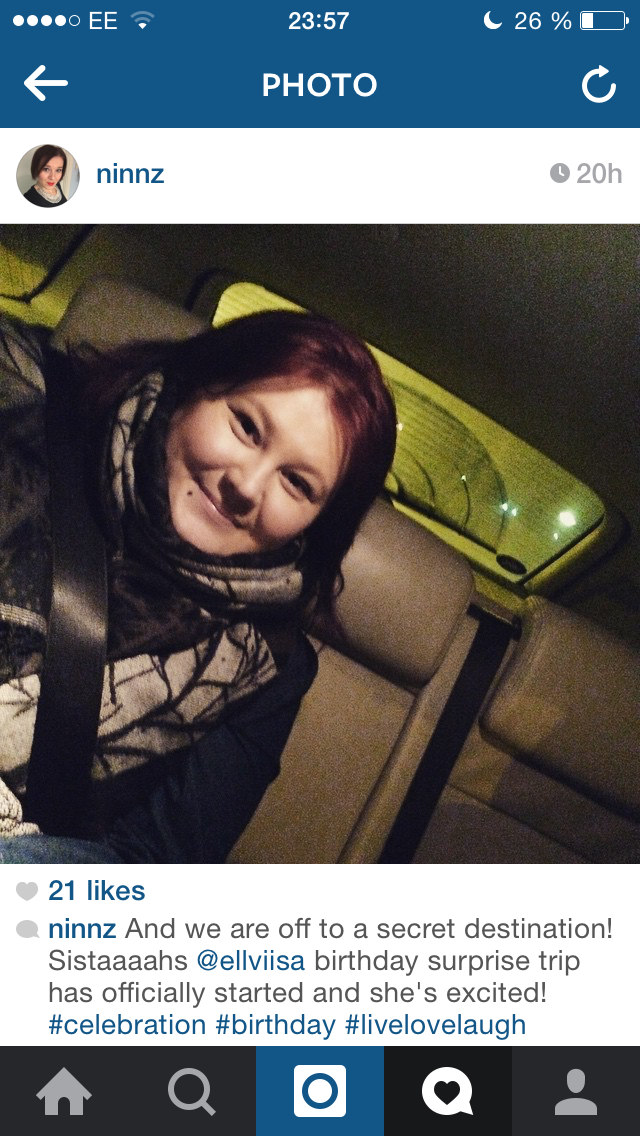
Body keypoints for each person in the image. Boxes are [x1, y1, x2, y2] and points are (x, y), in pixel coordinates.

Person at [0, 307, 397, 861]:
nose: (246, 486)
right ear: (193, 384)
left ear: (318, 524)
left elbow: (150, 865)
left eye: (297, 483)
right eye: (247, 427)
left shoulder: (267, 665)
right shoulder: (23, 400)